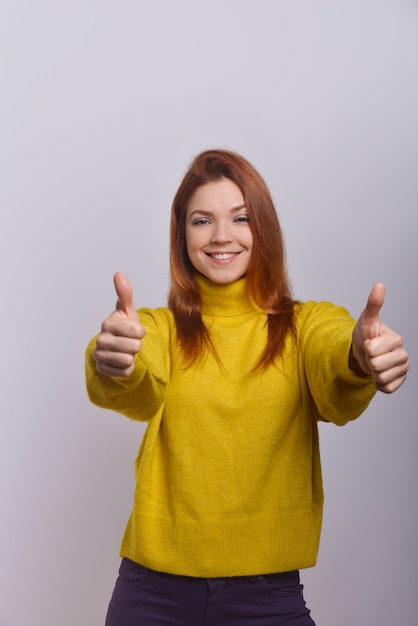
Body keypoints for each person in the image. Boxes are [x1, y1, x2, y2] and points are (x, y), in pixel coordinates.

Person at [85, 149, 409, 626]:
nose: (221, 236)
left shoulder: (306, 325)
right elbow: (138, 369)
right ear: (182, 236)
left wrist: (361, 355)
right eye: (201, 221)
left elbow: (333, 355)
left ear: (264, 229)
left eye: (240, 217)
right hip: (151, 591)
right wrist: (112, 357)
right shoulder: (161, 328)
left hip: (267, 595)